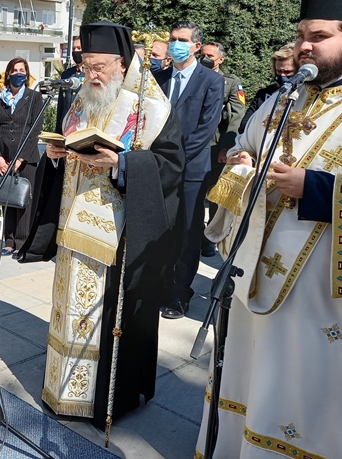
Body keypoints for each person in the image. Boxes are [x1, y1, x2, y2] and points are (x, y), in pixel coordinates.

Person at [196, 0, 342, 458]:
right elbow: (244, 148)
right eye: (302, 33)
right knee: (252, 382)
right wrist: (240, 162)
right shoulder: (285, 99)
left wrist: (318, 188)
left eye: (318, 36)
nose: (305, 44)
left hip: (329, 295)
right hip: (257, 280)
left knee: (314, 400)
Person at [27, 21, 184, 427]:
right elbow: (72, 140)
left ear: (122, 63)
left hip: (116, 233)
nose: (91, 74)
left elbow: (171, 167)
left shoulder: (150, 105)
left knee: (102, 314)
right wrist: (59, 153)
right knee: (69, 308)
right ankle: (63, 391)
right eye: (85, 64)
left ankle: (100, 400)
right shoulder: (82, 98)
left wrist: (123, 163)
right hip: (72, 224)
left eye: (98, 66)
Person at [154, 21, 224, 319]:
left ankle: (181, 294)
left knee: (186, 233)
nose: (175, 44)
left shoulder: (211, 81)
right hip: (157, 168)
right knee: (161, 231)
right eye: (172, 39)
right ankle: (158, 286)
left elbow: (206, 128)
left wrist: (175, 159)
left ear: (196, 46)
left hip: (191, 170)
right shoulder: (159, 77)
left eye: (182, 40)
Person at [0, 57, 44, 258]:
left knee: (24, 201)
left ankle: (22, 243)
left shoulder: (34, 98)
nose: (18, 73)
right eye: (14, 70)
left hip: (26, 157)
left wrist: (20, 159)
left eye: (22, 70)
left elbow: (35, 130)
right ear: (8, 73)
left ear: (26, 74)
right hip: (3, 155)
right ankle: (9, 241)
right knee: (7, 200)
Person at [199, 41, 246, 256]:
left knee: (215, 191)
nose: (205, 58)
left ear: (221, 59)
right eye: (203, 54)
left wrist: (226, 148)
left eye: (210, 55)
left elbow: (237, 115)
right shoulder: (194, 75)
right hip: (194, 144)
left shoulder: (230, 82)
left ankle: (210, 236)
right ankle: (192, 231)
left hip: (215, 144)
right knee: (194, 191)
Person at [239, 42, 297, 133]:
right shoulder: (264, 94)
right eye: (279, 71)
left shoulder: (308, 95)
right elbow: (244, 126)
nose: (282, 75)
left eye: (287, 72)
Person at [55, 36, 85, 133]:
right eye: (73, 48)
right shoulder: (67, 74)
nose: (76, 51)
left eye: (79, 48)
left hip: (81, 129)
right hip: (65, 129)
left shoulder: (91, 75)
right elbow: (61, 106)